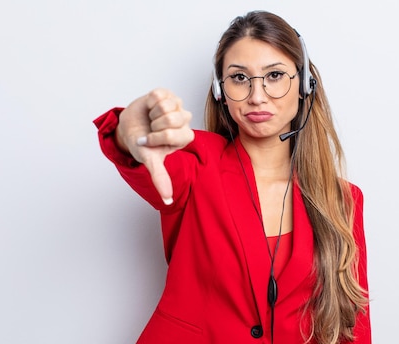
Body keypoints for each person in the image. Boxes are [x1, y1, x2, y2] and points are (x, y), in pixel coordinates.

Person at [94, 10, 371, 344]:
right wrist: (131, 133)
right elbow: (143, 159)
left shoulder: (343, 199)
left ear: (304, 85)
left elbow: (352, 324)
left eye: (275, 75)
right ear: (220, 89)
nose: (257, 95)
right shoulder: (197, 161)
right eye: (240, 78)